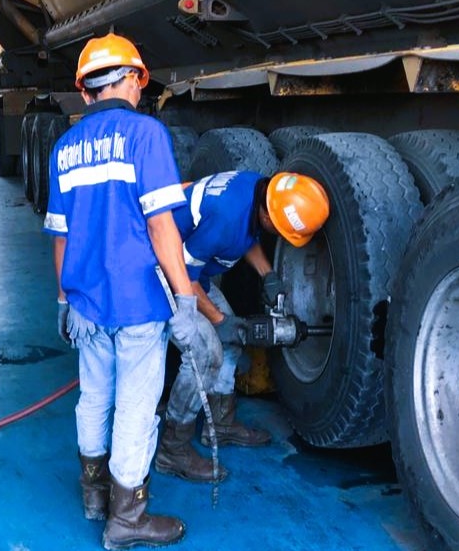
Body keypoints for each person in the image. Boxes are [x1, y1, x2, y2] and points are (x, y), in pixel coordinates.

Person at [43, 32, 199, 550]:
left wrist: (64, 301)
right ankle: (127, 517)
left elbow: (60, 235)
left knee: (94, 398)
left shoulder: (64, 148)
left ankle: (93, 497)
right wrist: (186, 300)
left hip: (87, 303)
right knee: (135, 404)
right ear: (134, 81)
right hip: (137, 302)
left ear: (86, 93)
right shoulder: (146, 135)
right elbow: (161, 228)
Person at [155, 170, 330, 482]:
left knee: (233, 339)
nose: (278, 235)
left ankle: (219, 426)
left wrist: (267, 275)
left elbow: (247, 236)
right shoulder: (225, 217)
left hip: (194, 276)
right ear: (269, 213)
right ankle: (174, 448)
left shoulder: (261, 189)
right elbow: (182, 276)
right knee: (206, 352)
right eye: (278, 229)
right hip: (163, 276)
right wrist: (219, 321)